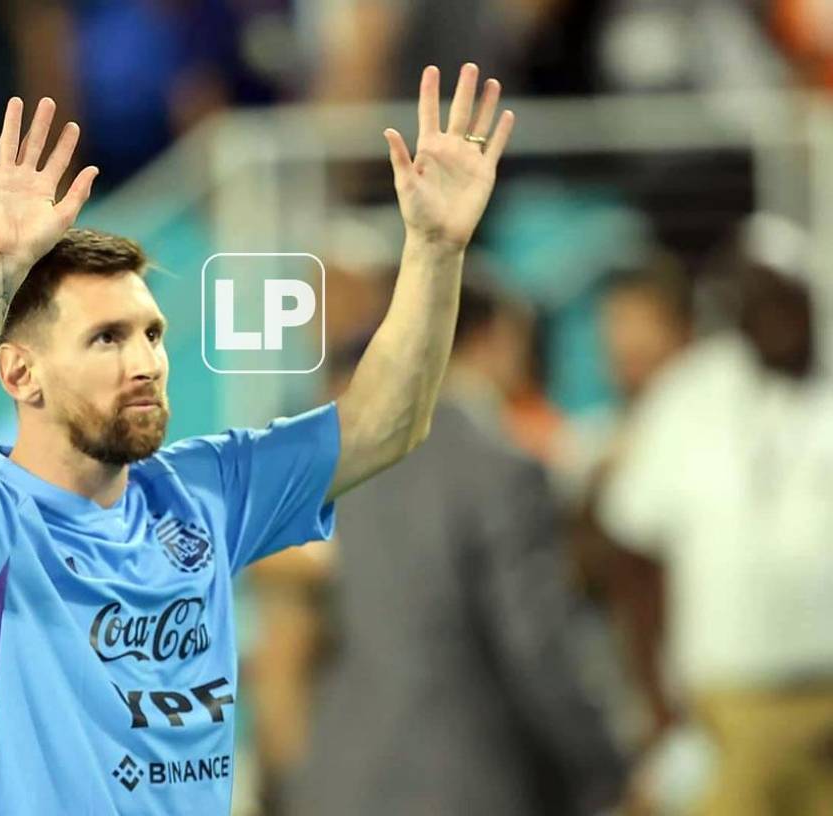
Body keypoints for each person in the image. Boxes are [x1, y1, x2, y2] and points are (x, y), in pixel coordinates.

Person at [0, 63, 515, 814]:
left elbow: (383, 424)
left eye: (153, 334)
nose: (145, 362)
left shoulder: (204, 491)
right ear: (20, 374)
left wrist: (436, 249)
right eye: (107, 339)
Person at [286, 280, 626, 816]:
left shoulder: (338, 464)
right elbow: (536, 648)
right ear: (490, 339)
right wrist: (605, 767)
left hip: (341, 779)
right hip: (464, 784)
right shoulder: (500, 471)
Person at [599, 215, 833, 816]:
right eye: (757, 300)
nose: (775, 316)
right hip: (727, 708)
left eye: (785, 299)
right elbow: (630, 550)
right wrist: (654, 698)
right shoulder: (689, 397)